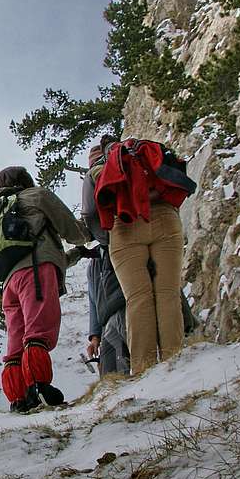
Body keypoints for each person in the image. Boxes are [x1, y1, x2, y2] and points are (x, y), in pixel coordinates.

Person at [0, 165, 92, 414]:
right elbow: (73, 232)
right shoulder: (36, 196)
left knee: (16, 339)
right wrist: (90, 233)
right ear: (27, 180)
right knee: (38, 330)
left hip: (8, 283)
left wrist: (74, 257)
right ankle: (39, 385)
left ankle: (18, 397)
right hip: (35, 272)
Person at [91, 138, 189, 376]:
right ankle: (173, 361)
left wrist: (103, 239)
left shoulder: (100, 167)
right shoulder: (146, 151)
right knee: (168, 292)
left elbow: (88, 211)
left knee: (138, 298)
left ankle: (145, 368)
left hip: (124, 224)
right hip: (166, 218)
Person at [79, 139, 130, 376]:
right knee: (111, 381)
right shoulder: (96, 258)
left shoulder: (125, 239)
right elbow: (92, 299)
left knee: (128, 371)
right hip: (109, 322)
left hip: (127, 310)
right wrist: (94, 335)